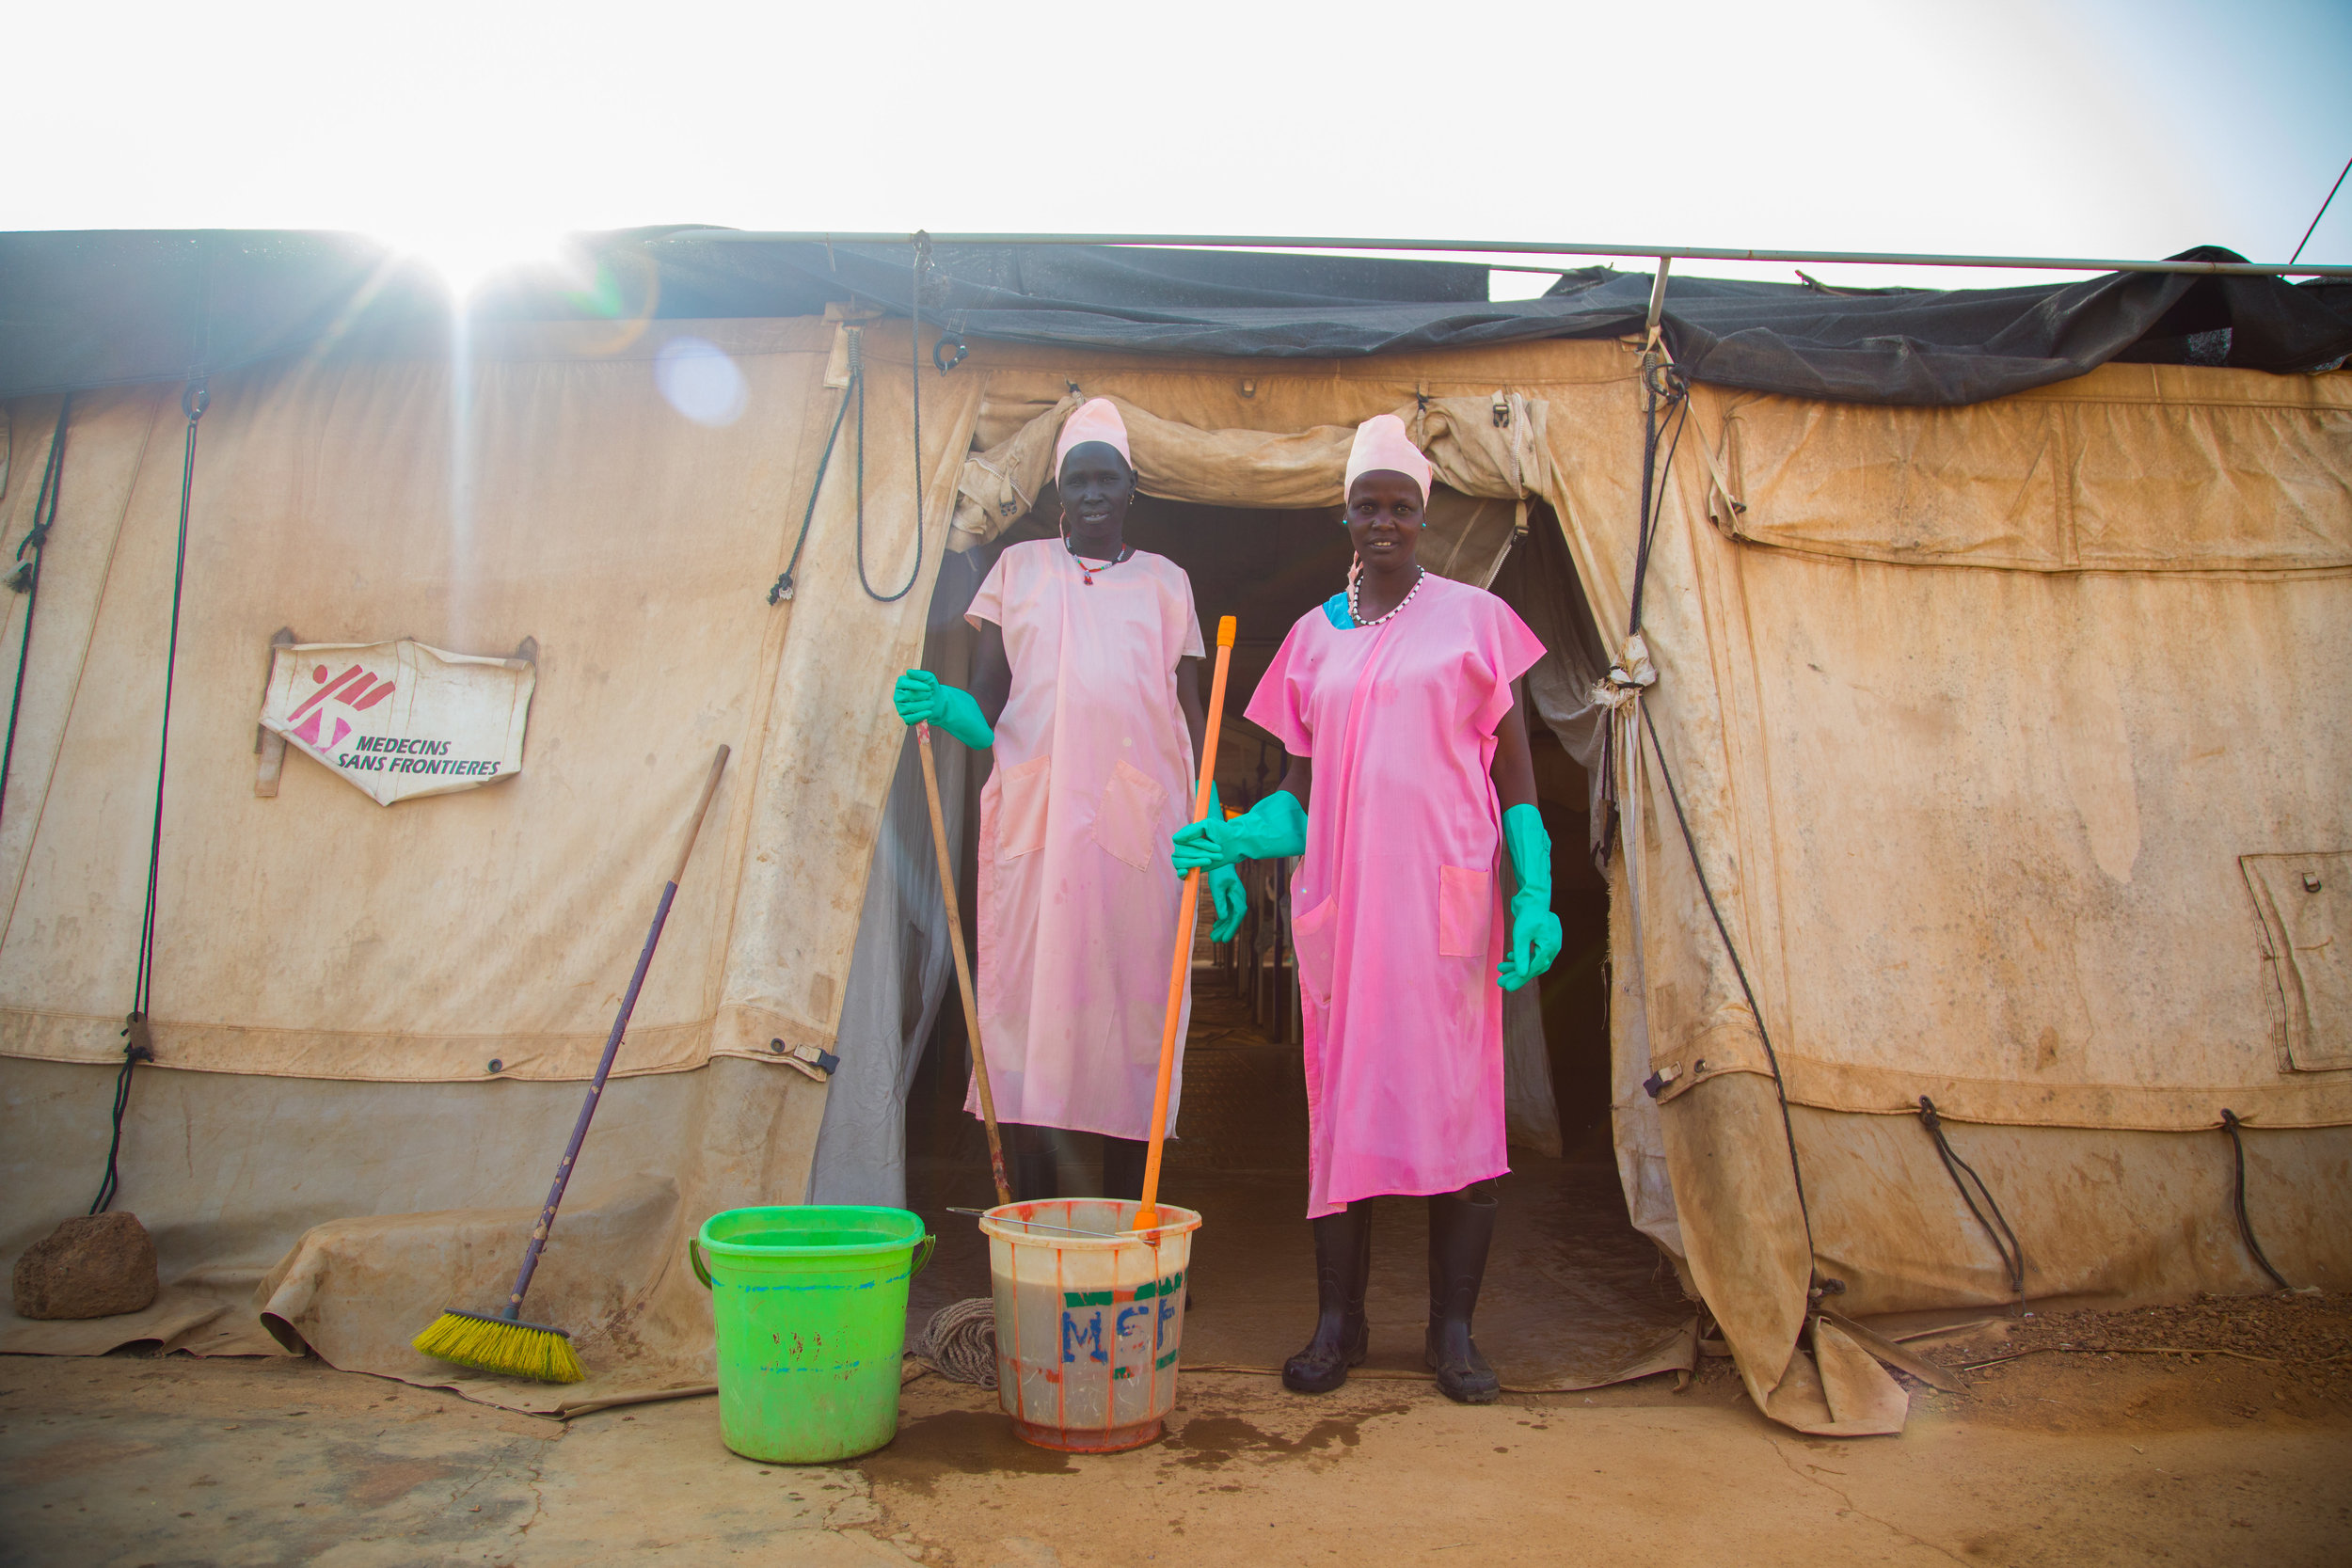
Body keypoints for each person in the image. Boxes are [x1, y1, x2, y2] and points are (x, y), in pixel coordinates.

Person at [1170, 414, 1561, 1403]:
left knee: (1460, 1117)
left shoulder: (1474, 618)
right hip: (1344, 913)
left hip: (1446, 911)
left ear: (1422, 516)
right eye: (1366, 504)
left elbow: (1513, 773)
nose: (1383, 519)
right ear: (1344, 514)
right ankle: (1338, 1324)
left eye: (1401, 505)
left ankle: (1454, 1333)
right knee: (1341, 1117)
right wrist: (1241, 833)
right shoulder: (1310, 638)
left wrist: (1537, 888)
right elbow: (1300, 793)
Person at [894, 398, 1247, 1203]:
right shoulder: (1018, 571)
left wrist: (1217, 830)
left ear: (1131, 490)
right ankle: (1037, 1223)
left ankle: (1130, 1228)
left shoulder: (1166, 584)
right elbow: (985, 707)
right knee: (1032, 1026)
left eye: (1106, 480)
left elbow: (1191, 722)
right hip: (1040, 832)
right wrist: (944, 706)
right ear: (1060, 494)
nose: (1092, 494)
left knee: (1131, 1025)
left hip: (1136, 839)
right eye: (1078, 481)